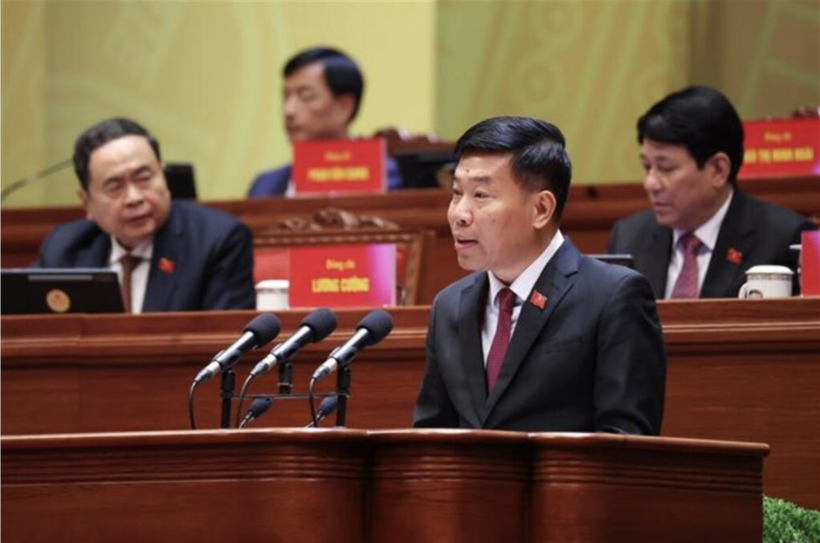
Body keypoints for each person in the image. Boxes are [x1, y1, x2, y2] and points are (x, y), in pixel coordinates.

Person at [412, 116, 666, 435]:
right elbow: (431, 437)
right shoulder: (450, 305)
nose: (459, 214)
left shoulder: (613, 297)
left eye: (480, 196)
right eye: (456, 193)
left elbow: (626, 444)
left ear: (541, 209)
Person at [608, 85, 815, 299]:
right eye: (647, 167)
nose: (650, 183)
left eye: (665, 168)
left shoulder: (783, 239)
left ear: (718, 169)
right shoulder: (629, 237)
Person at [34, 118, 256, 312]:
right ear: (87, 202)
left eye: (144, 178)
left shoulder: (217, 241)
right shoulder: (63, 248)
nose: (134, 198)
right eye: (115, 186)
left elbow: (225, 345)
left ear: (164, 177)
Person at [247, 46, 403, 197]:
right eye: (286, 97)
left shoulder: (387, 177)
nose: (289, 110)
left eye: (306, 96)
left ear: (345, 107)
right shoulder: (264, 185)